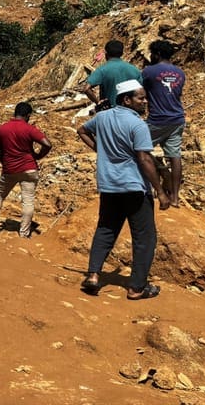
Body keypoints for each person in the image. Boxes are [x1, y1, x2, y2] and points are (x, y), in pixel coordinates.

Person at [77, 80, 171, 299]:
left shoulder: (102, 117)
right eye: (141, 98)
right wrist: (160, 191)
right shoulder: (138, 125)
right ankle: (137, 287)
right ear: (127, 100)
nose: (145, 102)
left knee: (106, 229)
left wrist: (100, 149)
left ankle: (93, 275)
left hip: (109, 185)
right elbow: (144, 158)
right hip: (134, 187)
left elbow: (81, 130)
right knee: (144, 237)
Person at [0, 103, 52, 238]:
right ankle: (24, 233)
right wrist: (38, 156)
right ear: (28, 115)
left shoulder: (2, 129)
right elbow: (47, 144)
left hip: (9, 168)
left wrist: (4, 162)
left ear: (15, 113)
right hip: (29, 168)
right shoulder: (29, 129)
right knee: (28, 201)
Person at [142, 40, 186, 207]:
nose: (151, 56)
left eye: (152, 53)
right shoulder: (180, 73)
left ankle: (159, 188)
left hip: (157, 120)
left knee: (139, 150)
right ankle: (175, 197)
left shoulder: (149, 71)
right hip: (177, 119)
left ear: (158, 54)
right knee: (175, 156)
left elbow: (141, 92)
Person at [82, 40, 142, 111]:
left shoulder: (102, 70)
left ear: (106, 53)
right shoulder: (134, 70)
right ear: (122, 53)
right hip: (130, 111)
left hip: (110, 111)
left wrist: (98, 103)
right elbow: (142, 90)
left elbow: (86, 89)